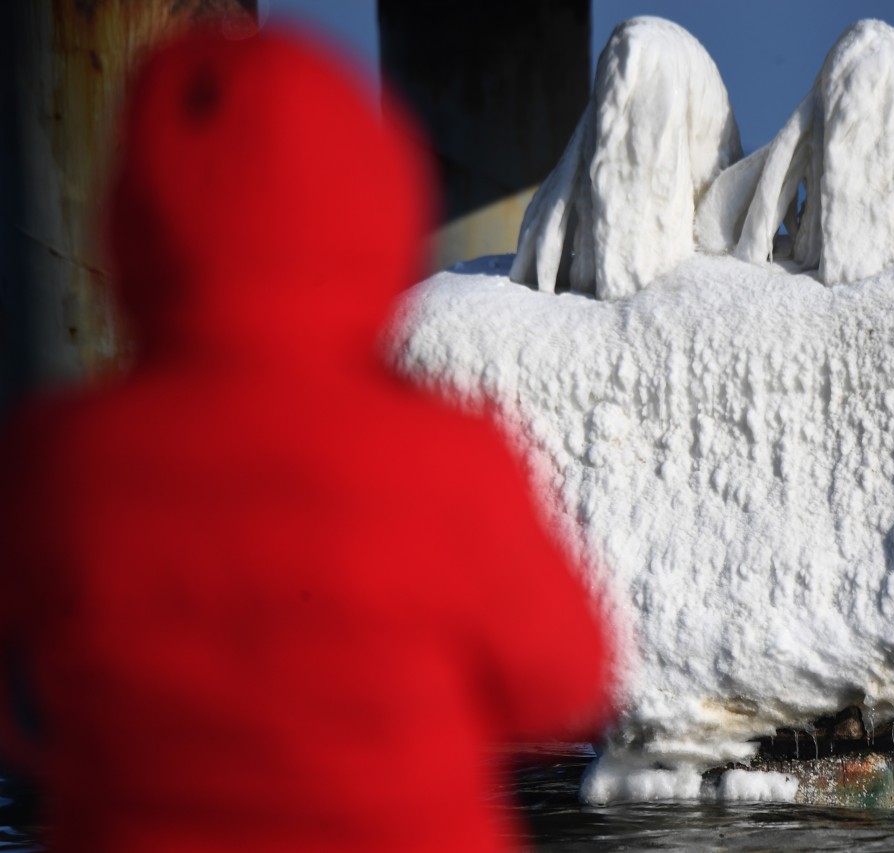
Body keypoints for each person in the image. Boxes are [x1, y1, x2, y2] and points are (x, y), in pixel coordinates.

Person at [0, 26, 614, 852]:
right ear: (373, 195)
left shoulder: (56, 463)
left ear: (133, 215)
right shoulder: (445, 461)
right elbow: (564, 679)